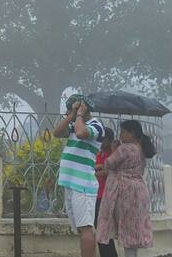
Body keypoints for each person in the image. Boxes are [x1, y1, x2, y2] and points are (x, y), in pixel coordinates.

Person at [53, 94, 104, 257]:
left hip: (83, 185)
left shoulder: (96, 125)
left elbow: (82, 133)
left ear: (84, 107)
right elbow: (57, 132)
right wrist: (71, 117)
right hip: (71, 183)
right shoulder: (75, 123)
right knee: (80, 230)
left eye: (73, 108)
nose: (71, 112)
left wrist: (80, 115)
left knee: (86, 228)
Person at [96, 120, 156, 257]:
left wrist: (113, 149)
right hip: (138, 190)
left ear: (132, 133)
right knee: (133, 229)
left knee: (125, 227)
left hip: (123, 192)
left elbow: (110, 163)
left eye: (123, 132)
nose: (120, 135)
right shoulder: (140, 148)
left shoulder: (125, 148)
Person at [94, 128, 118, 257]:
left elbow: (118, 171)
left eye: (104, 139)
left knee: (105, 231)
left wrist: (105, 172)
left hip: (107, 196)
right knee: (100, 231)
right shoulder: (99, 154)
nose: (101, 142)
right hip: (96, 194)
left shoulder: (114, 156)